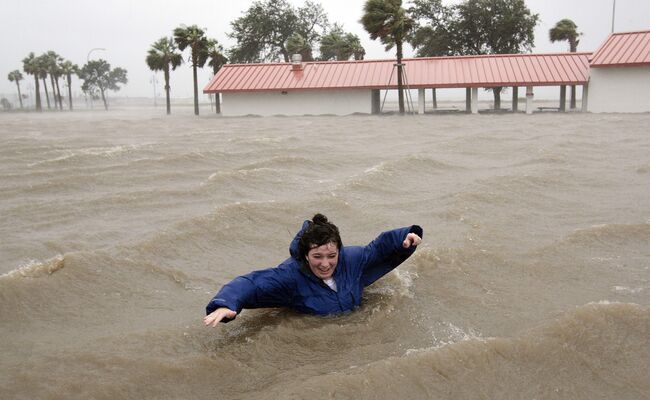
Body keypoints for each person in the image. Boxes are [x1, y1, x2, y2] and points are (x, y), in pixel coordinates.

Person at [204, 214, 423, 327]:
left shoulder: (351, 259)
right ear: (306, 255)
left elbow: (378, 248)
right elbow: (251, 283)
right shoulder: (289, 276)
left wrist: (406, 236)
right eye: (317, 257)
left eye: (331, 256)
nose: (325, 264)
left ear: (339, 250)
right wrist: (226, 305)